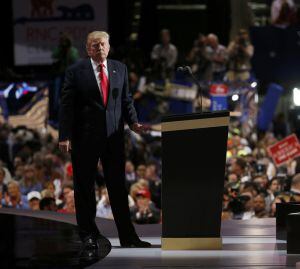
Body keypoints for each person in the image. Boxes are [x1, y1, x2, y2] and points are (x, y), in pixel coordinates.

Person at [59, 31, 151, 250]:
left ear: (108, 46)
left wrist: (134, 123)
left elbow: (126, 100)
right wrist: (64, 136)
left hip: (113, 139)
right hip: (84, 139)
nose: (98, 48)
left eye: (102, 44)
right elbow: (66, 105)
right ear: (87, 49)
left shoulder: (120, 69)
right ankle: (88, 235)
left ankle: (129, 237)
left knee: (118, 188)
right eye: (94, 45)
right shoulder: (75, 71)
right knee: (84, 188)